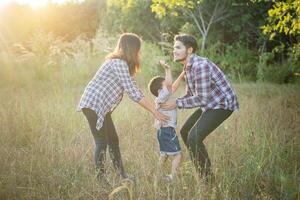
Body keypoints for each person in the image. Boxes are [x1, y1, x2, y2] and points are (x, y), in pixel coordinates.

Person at [77, 33, 169, 181]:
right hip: (93, 104)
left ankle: (122, 175)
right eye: (139, 49)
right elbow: (133, 93)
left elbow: (134, 88)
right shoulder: (118, 63)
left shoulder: (123, 64)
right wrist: (154, 111)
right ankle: (100, 180)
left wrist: (154, 108)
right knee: (102, 142)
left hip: (101, 107)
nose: (140, 52)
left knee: (113, 140)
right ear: (133, 49)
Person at [161, 34, 239, 181]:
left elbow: (202, 98)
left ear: (189, 50)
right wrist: (170, 104)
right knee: (185, 131)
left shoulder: (200, 66)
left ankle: (207, 179)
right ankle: (201, 168)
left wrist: (176, 103)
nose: (174, 51)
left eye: (178, 47)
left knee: (194, 137)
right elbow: (191, 94)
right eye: (174, 48)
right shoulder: (188, 67)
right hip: (209, 104)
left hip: (222, 104)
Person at [148, 60, 185, 181]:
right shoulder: (161, 96)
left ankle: (157, 176)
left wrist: (182, 73)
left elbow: (173, 86)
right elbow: (170, 84)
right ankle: (173, 178)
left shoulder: (161, 97)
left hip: (162, 131)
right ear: (160, 90)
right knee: (178, 155)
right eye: (165, 85)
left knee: (164, 154)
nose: (168, 86)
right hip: (168, 131)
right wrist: (167, 69)